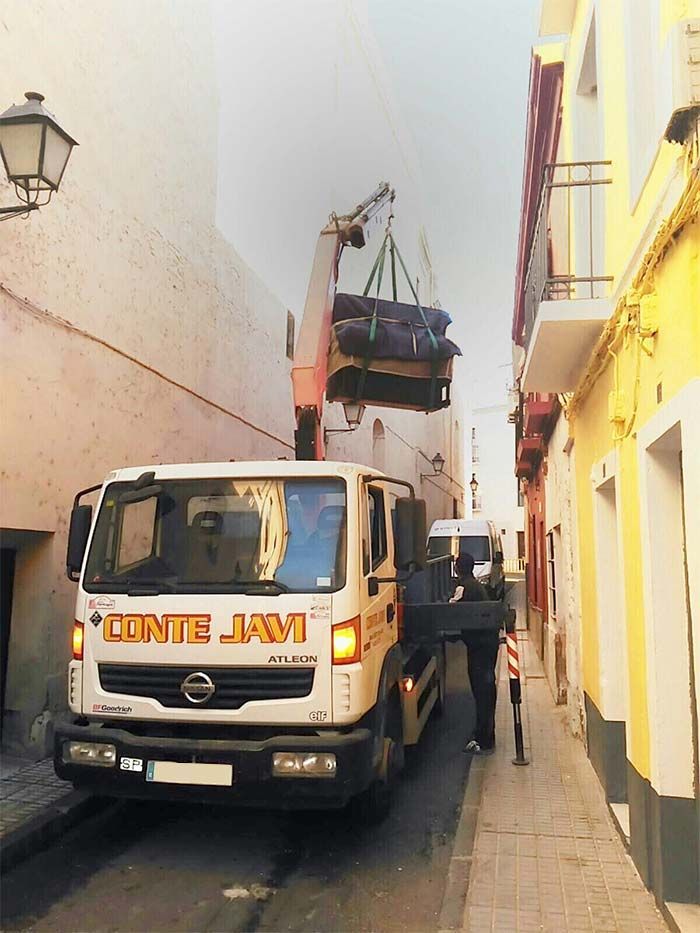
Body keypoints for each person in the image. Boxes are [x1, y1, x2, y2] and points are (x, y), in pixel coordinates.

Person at [450, 553, 499, 755]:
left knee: (481, 692)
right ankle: (487, 734)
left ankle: (482, 738)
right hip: (488, 644)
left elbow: (452, 609)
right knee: (487, 690)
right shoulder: (477, 585)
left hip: (479, 647)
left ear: (458, 568)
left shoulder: (464, 587)